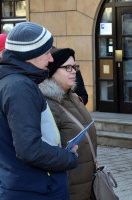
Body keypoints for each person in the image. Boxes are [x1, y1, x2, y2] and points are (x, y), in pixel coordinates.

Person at [0, 22, 78, 199]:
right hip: (35, 189)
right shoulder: (20, 87)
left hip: (24, 184)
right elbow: (29, 149)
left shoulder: (10, 82)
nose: (51, 59)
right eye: (47, 53)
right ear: (29, 55)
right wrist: (68, 157)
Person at [39, 48, 97, 200]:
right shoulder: (47, 104)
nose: (73, 72)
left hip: (86, 182)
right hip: (68, 186)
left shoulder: (73, 97)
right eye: (67, 68)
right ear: (52, 72)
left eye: (74, 67)